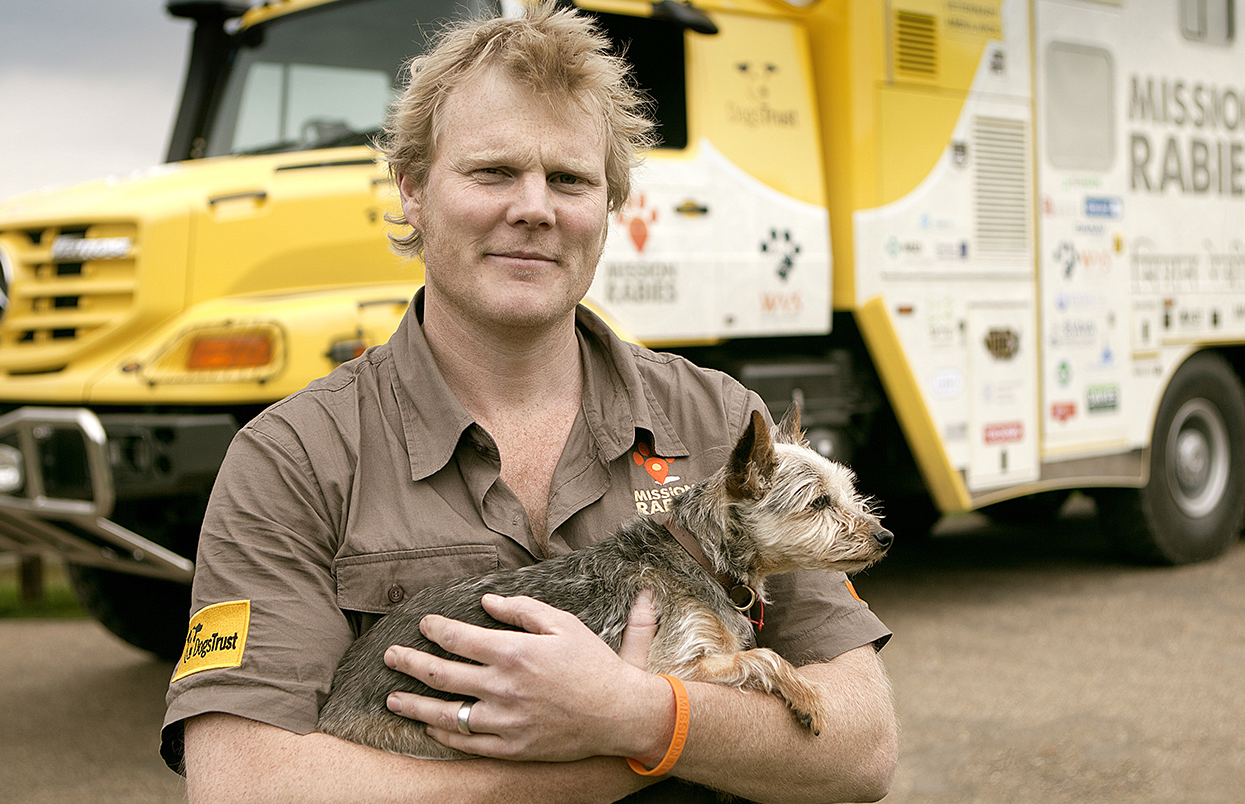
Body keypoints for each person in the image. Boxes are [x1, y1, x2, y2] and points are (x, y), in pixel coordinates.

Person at [162, 6, 897, 802]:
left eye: (571, 179)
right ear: (411, 189)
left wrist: (644, 716)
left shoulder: (719, 422)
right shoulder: (296, 458)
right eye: (493, 172)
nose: (535, 208)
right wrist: (590, 761)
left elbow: (860, 750)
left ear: (609, 206)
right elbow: (241, 786)